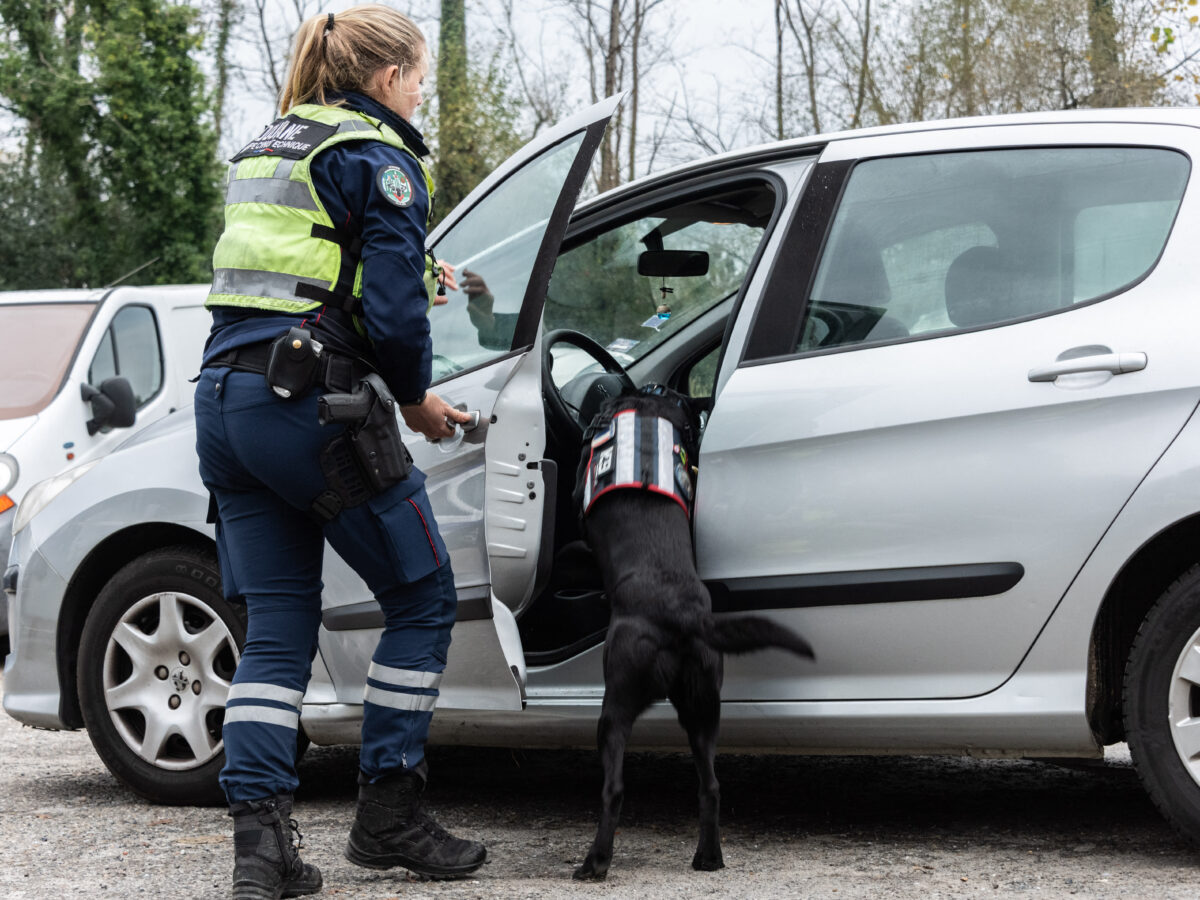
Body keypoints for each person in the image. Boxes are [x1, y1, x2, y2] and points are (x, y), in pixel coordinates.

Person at [193, 6, 486, 897]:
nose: (422, 89)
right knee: (424, 596)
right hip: (313, 408)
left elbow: (302, 275)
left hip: (224, 403)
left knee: (277, 631)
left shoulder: (271, 146)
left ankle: (261, 854)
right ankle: (388, 814)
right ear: (389, 76)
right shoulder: (379, 155)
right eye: (421, 75)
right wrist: (415, 399)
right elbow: (393, 318)